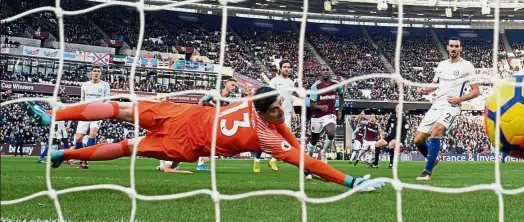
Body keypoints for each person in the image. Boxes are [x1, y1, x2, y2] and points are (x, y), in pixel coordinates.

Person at [31, 87, 383, 191]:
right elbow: (303, 158)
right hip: (185, 131)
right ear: (264, 112)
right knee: (123, 111)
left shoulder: (256, 105)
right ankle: (54, 117)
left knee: (127, 146)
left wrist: (295, 140)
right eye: (278, 107)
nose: (283, 109)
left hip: (186, 126)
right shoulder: (266, 137)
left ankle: (64, 150)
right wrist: (350, 180)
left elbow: (290, 135)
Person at [415, 37, 480, 181]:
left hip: (452, 106)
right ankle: (433, 159)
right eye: (451, 46)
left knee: (436, 131)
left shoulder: (467, 66)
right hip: (436, 105)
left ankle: (427, 171)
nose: (454, 48)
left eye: (457, 46)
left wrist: (459, 99)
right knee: (418, 140)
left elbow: (476, 91)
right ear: (447, 47)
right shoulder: (442, 65)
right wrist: (424, 90)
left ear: (461, 49)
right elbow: (434, 84)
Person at [252, 59, 298, 173]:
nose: (287, 69)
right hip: (273, 113)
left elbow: (290, 98)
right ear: (280, 68)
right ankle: (257, 160)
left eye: (288, 67)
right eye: (285, 67)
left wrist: (293, 112)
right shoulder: (274, 81)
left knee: (285, 138)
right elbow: (269, 95)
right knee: (265, 136)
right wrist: (277, 98)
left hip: (286, 114)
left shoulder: (291, 82)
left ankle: (273, 160)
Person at [195, 78, 238, 171]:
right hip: (205, 119)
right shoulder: (214, 92)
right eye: (232, 85)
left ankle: (201, 161)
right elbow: (201, 101)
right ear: (226, 84)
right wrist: (198, 115)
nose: (234, 87)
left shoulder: (231, 99)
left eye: (235, 86)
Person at [73, 66, 110, 169]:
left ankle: (86, 160)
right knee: (78, 137)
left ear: (101, 73)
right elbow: (82, 100)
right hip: (85, 112)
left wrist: (103, 110)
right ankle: (82, 159)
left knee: (93, 133)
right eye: (94, 71)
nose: (96, 73)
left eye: (98, 71)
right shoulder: (85, 85)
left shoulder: (105, 85)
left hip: (98, 113)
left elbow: (107, 100)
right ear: (91, 73)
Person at [307, 66, 344, 166]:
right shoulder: (315, 86)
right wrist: (321, 106)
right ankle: (309, 157)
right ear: (320, 72)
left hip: (330, 113)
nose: (325, 71)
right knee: (314, 140)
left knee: (331, 133)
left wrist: (340, 110)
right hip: (317, 116)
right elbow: (312, 104)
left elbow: (341, 96)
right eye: (323, 70)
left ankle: (323, 152)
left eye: (327, 70)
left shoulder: (336, 84)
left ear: (330, 72)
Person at [370, 104, 409, 169]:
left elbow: (405, 132)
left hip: (398, 138)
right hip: (390, 136)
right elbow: (388, 125)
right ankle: (376, 163)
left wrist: (402, 141)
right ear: (395, 109)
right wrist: (386, 131)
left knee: (390, 145)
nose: (398, 110)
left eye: (399, 108)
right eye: (397, 108)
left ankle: (391, 163)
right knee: (377, 144)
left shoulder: (404, 119)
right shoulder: (392, 116)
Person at [38, 94, 71, 164]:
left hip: (60, 126)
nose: (65, 98)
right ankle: (67, 158)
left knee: (63, 142)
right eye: (63, 97)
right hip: (58, 126)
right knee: (63, 142)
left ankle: (41, 158)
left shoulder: (63, 105)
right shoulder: (59, 105)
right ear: (60, 98)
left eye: (65, 97)